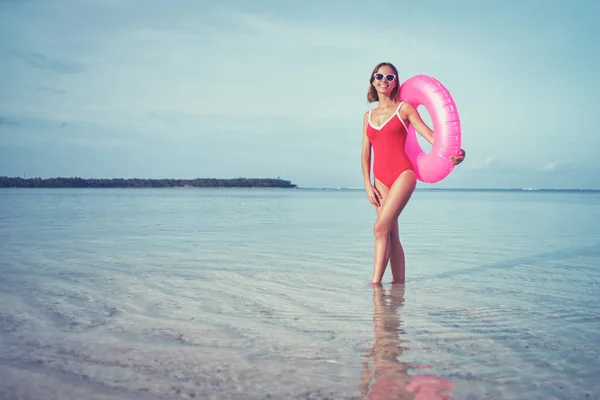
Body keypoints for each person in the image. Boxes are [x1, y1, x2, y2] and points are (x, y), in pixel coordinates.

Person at [361, 62, 466, 285]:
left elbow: (431, 136)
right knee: (390, 234)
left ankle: (375, 286)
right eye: (379, 76)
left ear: (395, 82)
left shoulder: (405, 109)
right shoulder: (367, 116)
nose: (384, 80)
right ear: (373, 81)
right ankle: (399, 288)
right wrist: (367, 185)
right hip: (379, 180)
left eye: (390, 77)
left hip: (402, 174)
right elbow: (365, 154)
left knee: (379, 228)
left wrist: (456, 152)